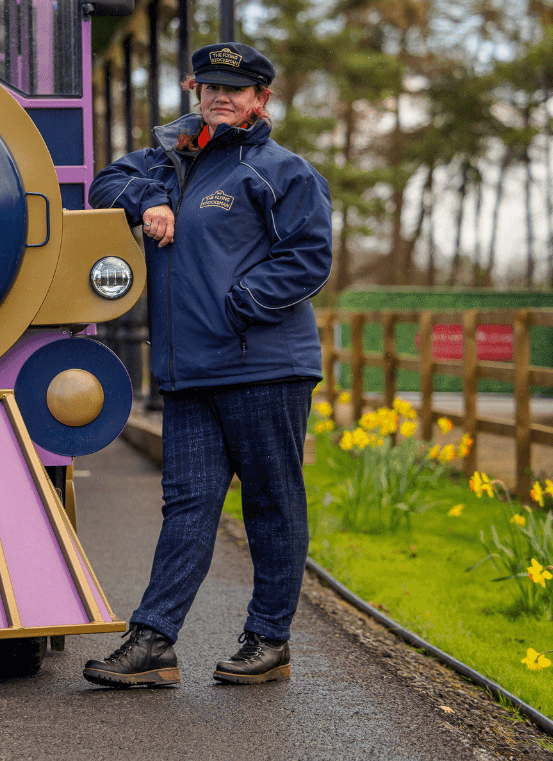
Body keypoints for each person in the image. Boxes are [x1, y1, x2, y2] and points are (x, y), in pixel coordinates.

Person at [83, 42, 331, 688]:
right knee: (187, 504)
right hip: (190, 373)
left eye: (235, 89)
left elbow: (309, 255)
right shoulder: (166, 161)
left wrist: (240, 302)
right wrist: (145, 199)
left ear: (260, 100)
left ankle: (268, 639)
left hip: (263, 367)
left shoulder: (280, 171)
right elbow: (103, 180)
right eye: (211, 86)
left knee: (272, 503)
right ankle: (154, 639)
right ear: (197, 90)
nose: (220, 97)